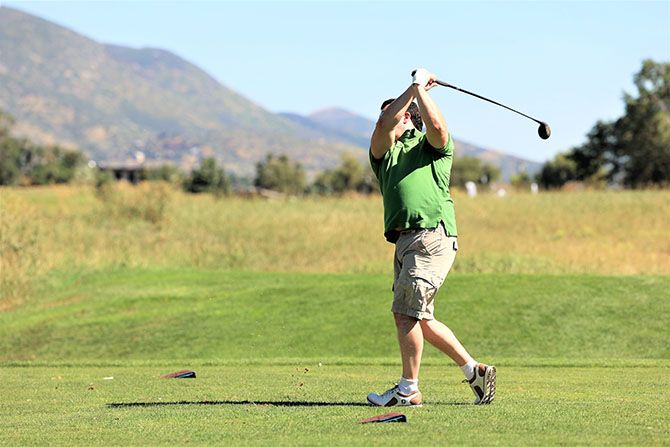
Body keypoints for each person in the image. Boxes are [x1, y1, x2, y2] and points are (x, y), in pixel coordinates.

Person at [366, 68, 496, 406]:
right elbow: (382, 126)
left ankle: (408, 389)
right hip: (404, 242)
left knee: (405, 314)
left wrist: (419, 90)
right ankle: (474, 371)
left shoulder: (433, 148)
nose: (384, 118)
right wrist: (415, 86)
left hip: (430, 235)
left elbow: (436, 126)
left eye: (394, 112)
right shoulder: (384, 154)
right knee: (419, 316)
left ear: (409, 118)